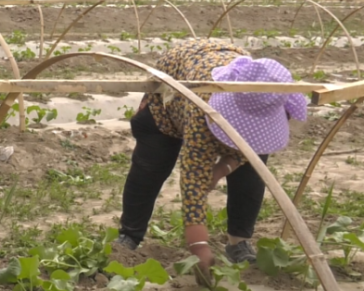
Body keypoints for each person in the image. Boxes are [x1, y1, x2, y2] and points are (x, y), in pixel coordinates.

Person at [114, 39, 307, 277]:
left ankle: (239, 243)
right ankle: (129, 235)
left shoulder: (270, 98)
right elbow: (194, 177)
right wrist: (199, 245)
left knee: (253, 169)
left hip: (220, 70)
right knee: (151, 164)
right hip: (172, 92)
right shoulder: (202, 107)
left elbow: (250, 149)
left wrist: (223, 168)